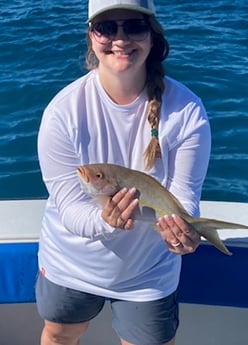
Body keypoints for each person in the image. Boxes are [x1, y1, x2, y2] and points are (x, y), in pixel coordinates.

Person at [36, 0, 211, 344]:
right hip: (70, 262)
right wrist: (107, 221)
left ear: (152, 34)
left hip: (147, 271)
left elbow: (183, 198)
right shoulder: (62, 112)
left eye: (133, 27)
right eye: (106, 27)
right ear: (91, 36)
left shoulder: (187, 111)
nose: (120, 38)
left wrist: (182, 231)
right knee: (58, 335)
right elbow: (70, 210)